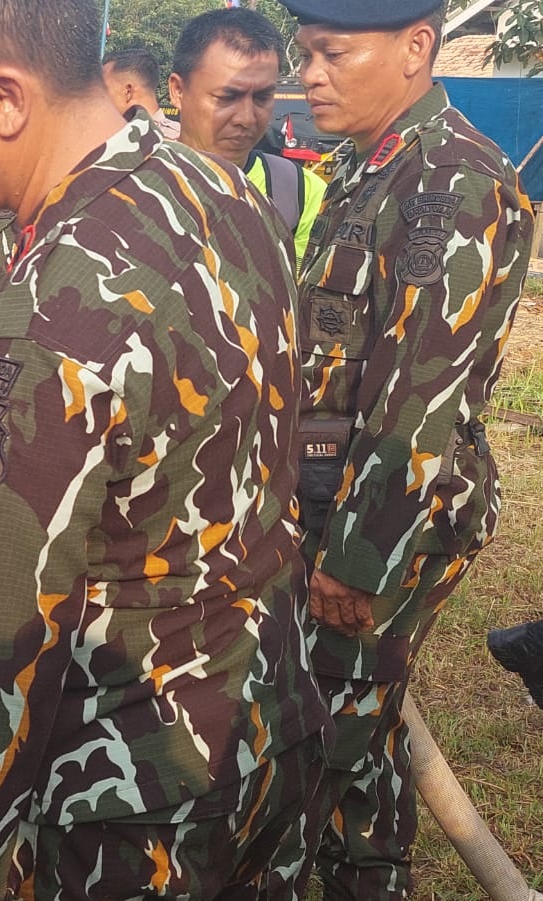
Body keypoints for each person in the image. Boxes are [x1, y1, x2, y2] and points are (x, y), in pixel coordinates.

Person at [0, 0, 332, 896]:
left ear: (5, 96)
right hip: (273, 714)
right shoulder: (224, 190)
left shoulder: (42, 313)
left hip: (133, 790)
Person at [268, 1, 537, 897]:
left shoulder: (451, 183)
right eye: (306, 54)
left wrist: (356, 556)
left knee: (322, 737)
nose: (309, 75)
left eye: (331, 53)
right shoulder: (373, 168)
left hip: (394, 514)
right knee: (360, 724)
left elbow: (419, 393)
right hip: (338, 495)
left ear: (417, 48)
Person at [169, 8, 327, 261]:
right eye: (227, 97)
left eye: (262, 97)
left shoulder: (301, 193)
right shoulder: (131, 182)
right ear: (178, 91)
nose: (246, 118)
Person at [101, 47, 181, 140]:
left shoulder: (177, 140)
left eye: (103, 89)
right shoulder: (109, 136)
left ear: (128, 91)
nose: (98, 98)